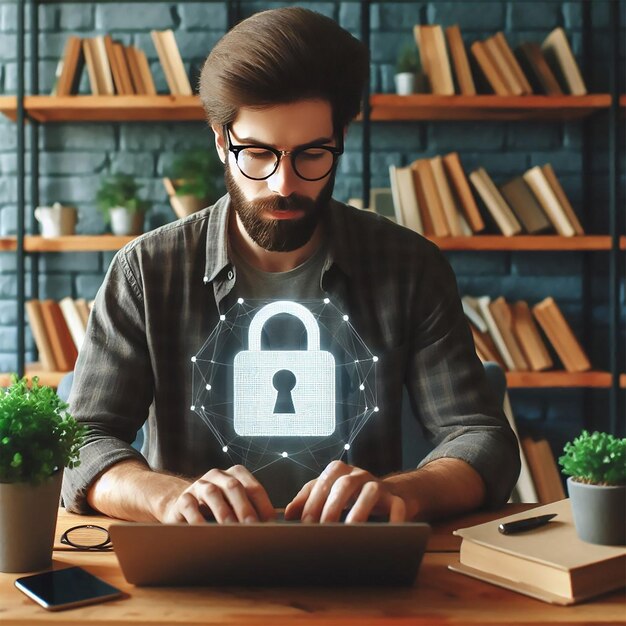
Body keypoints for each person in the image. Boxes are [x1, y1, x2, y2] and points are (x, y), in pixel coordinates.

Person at [62, 7, 520, 525]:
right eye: (256, 153)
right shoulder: (146, 272)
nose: (283, 183)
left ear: (340, 139)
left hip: (360, 564)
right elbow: (82, 443)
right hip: (195, 564)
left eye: (311, 154)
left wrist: (405, 494)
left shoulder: (410, 267)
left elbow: (482, 438)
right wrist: (164, 497)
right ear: (220, 140)